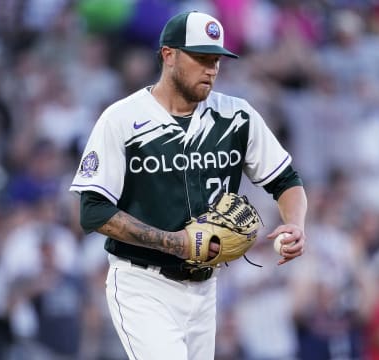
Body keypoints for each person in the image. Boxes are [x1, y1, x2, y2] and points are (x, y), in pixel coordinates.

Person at [69, 10, 308, 359]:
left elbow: (286, 180)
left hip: (204, 287)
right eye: (200, 58)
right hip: (142, 283)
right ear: (168, 55)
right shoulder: (122, 118)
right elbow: (93, 212)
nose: (210, 68)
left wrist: (295, 223)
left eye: (216, 59)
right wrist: (176, 243)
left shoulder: (236, 115)